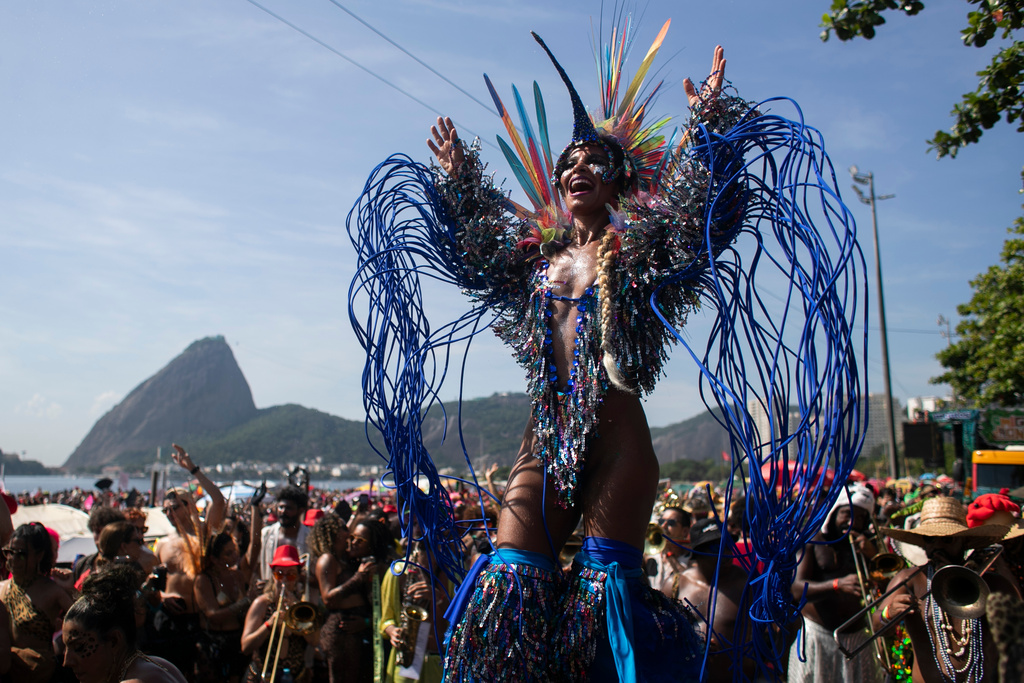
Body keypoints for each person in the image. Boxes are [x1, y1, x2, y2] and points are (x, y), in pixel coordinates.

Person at [430, 39, 737, 682]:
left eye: (594, 160)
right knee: (511, 586)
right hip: (544, 438)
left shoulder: (638, 251)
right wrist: (459, 177)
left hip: (619, 444)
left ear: (618, 179)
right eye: (569, 162)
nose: (577, 169)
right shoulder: (534, 264)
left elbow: (693, 220)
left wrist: (705, 125)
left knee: (604, 607)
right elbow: (479, 243)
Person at [875, 496, 1011, 683]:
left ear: (963, 542)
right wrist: (888, 614)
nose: (937, 547)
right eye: (930, 540)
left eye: (946, 540)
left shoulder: (992, 583)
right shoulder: (909, 580)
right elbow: (877, 627)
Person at [788, 485, 883, 683]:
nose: (851, 523)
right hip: (819, 638)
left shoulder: (868, 544)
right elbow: (797, 589)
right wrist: (836, 585)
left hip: (857, 637)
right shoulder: (812, 539)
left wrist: (873, 555)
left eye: (860, 518)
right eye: (847, 514)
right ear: (833, 513)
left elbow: (887, 585)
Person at [152, 445, 226, 682]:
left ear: (189, 506)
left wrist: (192, 469)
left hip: (197, 620)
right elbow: (152, 582)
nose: (170, 514)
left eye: (174, 508)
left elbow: (218, 499)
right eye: (165, 511)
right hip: (167, 620)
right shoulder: (162, 544)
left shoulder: (203, 534)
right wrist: (162, 598)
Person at [63, 563, 186, 683]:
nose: (67, 662)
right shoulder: (161, 665)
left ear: (114, 641)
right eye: (66, 649)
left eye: (79, 647)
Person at [1, 522, 75, 683]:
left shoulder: (52, 591)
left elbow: (86, 622)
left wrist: (70, 589)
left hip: (42, 676)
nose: (12, 559)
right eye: (9, 552)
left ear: (39, 555)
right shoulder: (1, 588)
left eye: (20, 554)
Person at [241, 545, 318, 683]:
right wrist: (269, 624)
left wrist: (298, 612)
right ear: (273, 575)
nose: (284, 580)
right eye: (279, 574)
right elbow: (246, 647)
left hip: (295, 677)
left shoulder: (302, 606)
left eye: (291, 574)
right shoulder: (262, 604)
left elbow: (314, 641)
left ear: (298, 577)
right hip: (263, 677)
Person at [379, 542, 451, 683]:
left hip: (440, 659)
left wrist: (440, 599)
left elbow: (462, 618)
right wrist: (392, 631)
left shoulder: (453, 574)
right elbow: (386, 620)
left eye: (434, 565)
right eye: (424, 566)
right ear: (416, 554)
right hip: (409, 658)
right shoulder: (397, 572)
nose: (429, 569)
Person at [194, 531, 252, 683]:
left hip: (237, 641)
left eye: (235, 550)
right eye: (228, 553)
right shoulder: (203, 580)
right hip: (213, 644)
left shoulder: (238, 575)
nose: (234, 556)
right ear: (214, 558)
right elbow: (213, 616)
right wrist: (245, 602)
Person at [258, 485, 310, 584]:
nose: (283, 512)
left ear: (301, 510)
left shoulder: (309, 538)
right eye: (281, 507)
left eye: (288, 508)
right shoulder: (267, 534)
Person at [650, 506, 692, 599]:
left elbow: (688, 582)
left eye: (671, 523)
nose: (663, 526)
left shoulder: (692, 559)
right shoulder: (650, 556)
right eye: (661, 521)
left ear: (685, 531)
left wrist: (669, 555)